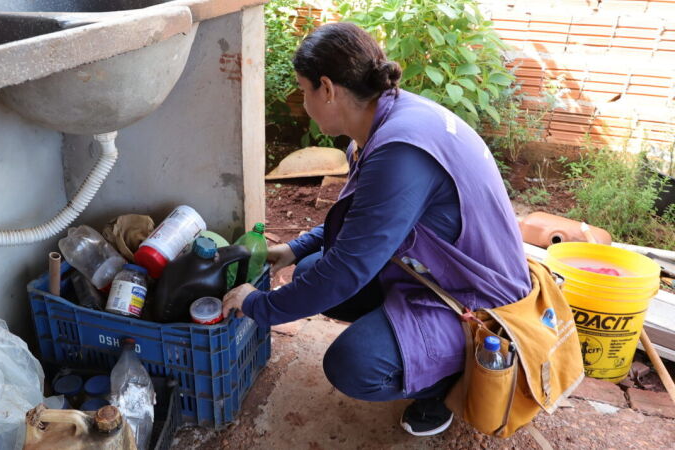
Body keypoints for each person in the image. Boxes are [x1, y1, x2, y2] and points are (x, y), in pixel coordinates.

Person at [222, 22, 530, 436]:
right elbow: (362, 225)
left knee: (352, 365)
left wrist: (258, 306)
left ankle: (446, 385)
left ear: (327, 89)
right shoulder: (383, 124)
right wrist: (293, 249)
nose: (302, 100)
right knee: (312, 269)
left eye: (303, 89)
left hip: (476, 301)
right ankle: (405, 340)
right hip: (430, 273)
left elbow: (349, 267)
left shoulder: (399, 151)